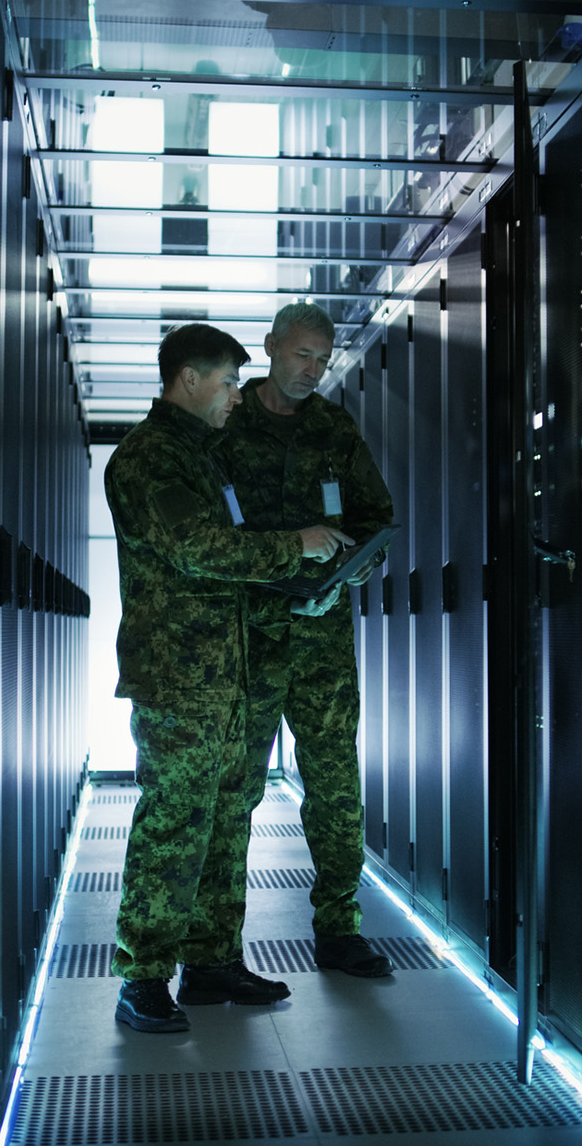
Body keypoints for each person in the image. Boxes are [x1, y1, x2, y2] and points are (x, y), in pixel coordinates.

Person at [105, 322, 351, 1033]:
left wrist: (305, 582)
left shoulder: (200, 458)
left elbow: (230, 560)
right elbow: (197, 549)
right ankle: (144, 974)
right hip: (179, 680)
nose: (237, 399)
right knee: (175, 822)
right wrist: (294, 546)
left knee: (227, 817)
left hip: (230, 672)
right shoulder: (149, 460)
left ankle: (211, 960)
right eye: (228, 383)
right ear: (189, 379)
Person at [212, 301, 396, 978]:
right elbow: (202, 538)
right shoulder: (226, 426)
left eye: (322, 359)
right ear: (269, 347)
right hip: (249, 634)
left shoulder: (333, 427)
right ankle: (217, 949)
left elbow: (378, 520)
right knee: (235, 788)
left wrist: (356, 566)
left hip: (321, 634)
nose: (312, 370)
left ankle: (339, 929)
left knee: (335, 783)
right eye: (301, 355)